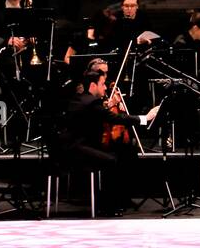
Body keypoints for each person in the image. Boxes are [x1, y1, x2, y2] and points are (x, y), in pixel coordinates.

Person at [56, 67, 159, 214]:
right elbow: (115, 118)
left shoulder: (81, 99)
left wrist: (109, 105)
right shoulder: (91, 102)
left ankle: (117, 200)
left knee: (116, 153)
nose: (105, 87)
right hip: (76, 149)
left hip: (71, 146)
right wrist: (145, 118)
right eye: (102, 84)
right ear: (93, 85)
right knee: (111, 160)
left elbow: (99, 113)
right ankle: (107, 206)